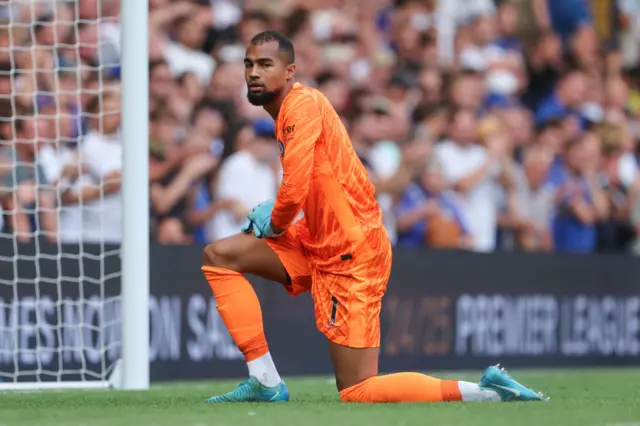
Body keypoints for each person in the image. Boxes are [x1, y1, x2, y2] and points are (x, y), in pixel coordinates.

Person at [201, 30, 548, 404]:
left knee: (357, 390)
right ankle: (265, 380)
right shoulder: (292, 111)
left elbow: (296, 186)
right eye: (249, 64)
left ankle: (488, 393)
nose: (253, 72)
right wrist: (282, 214)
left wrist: (276, 219)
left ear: (290, 72)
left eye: (265, 64)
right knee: (220, 256)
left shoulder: (301, 106)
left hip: (350, 252)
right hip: (319, 237)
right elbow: (313, 182)